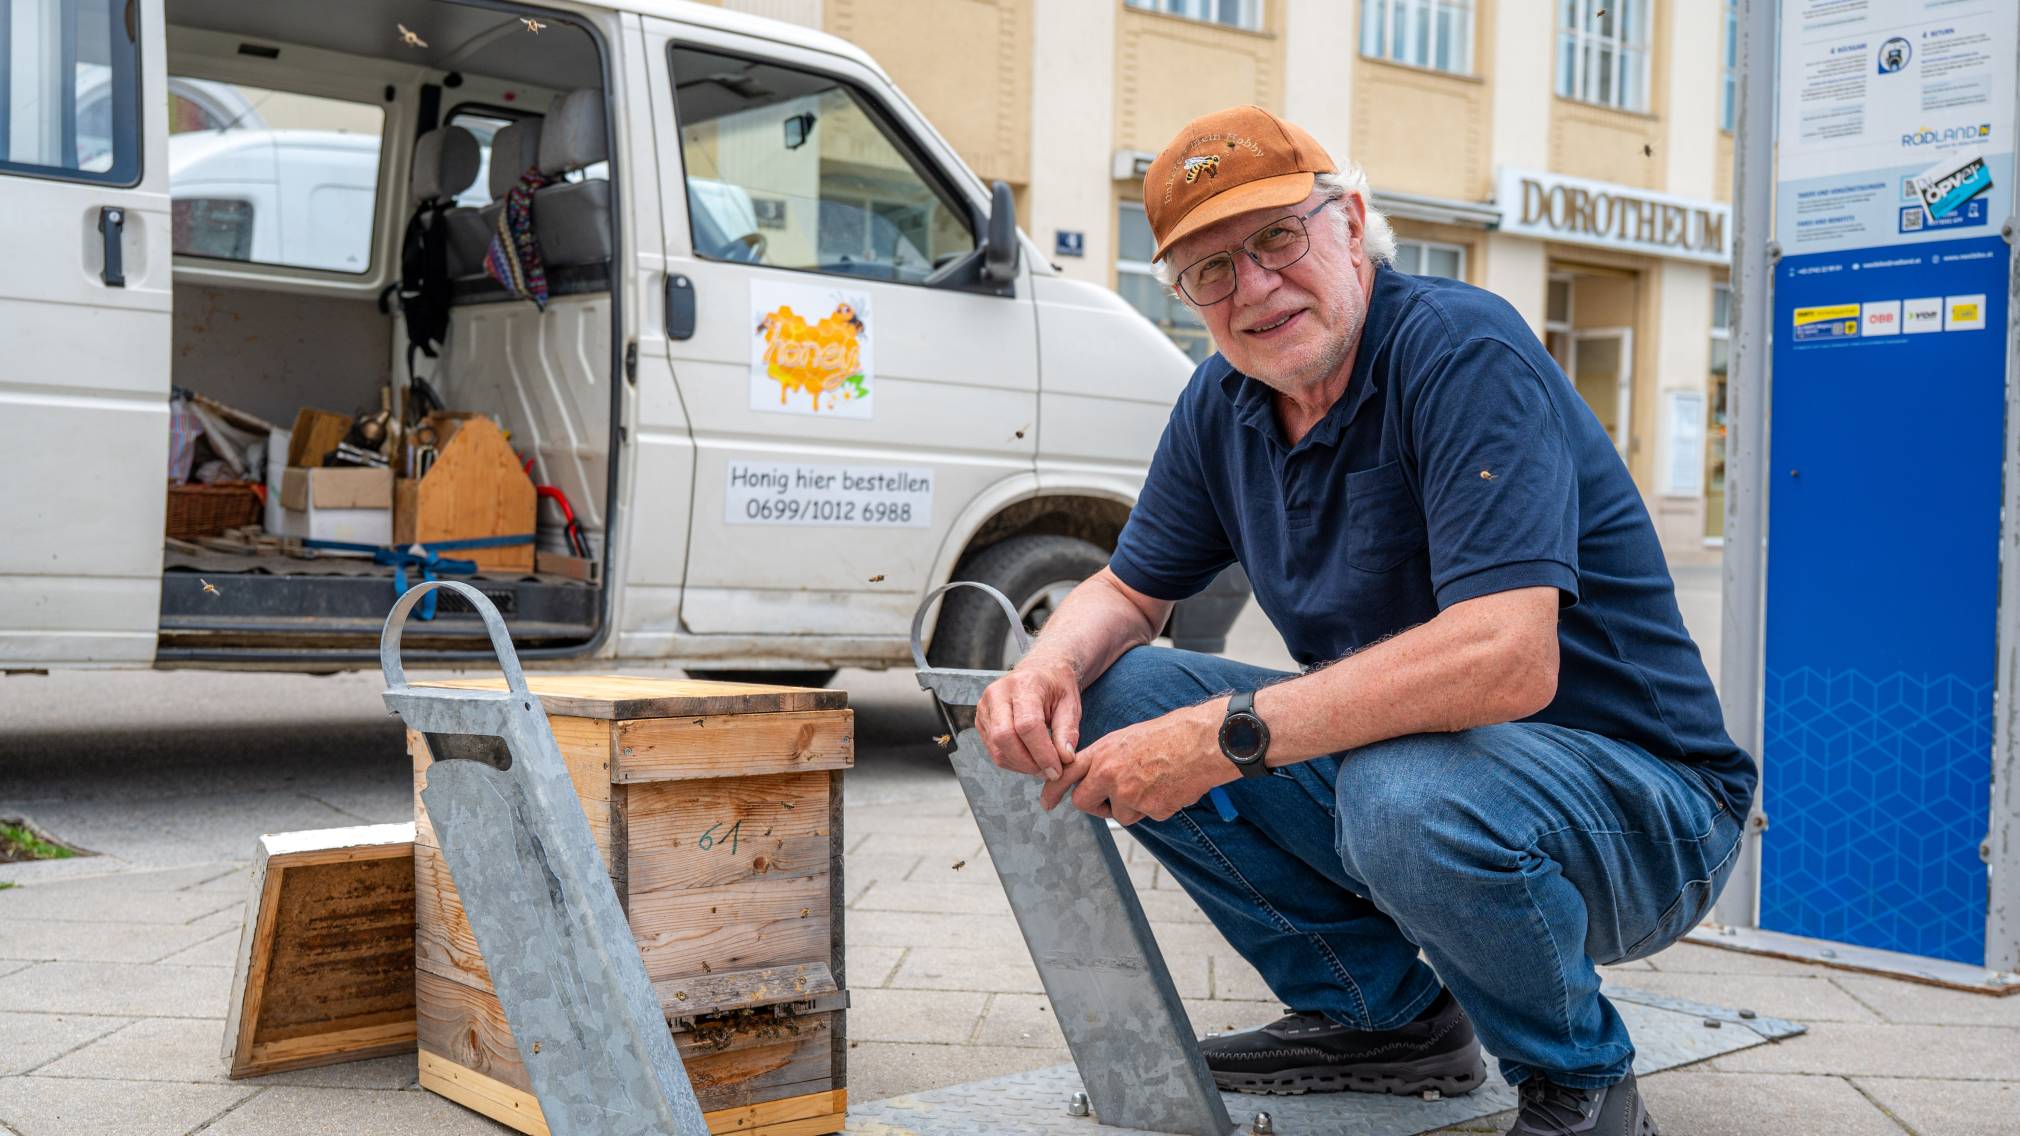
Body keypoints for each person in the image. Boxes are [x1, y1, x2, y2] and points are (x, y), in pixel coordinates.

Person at [973, 105, 1753, 1136]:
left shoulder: (1458, 350)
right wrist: (1044, 670)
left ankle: (1582, 1079)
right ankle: (1377, 1015)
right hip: (1437, 781)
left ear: (1351, 222)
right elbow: (1127, 592)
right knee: (1119, 693)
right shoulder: (1225, 399)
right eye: (1210, 270)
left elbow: (1505, 660)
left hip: (1644, 808)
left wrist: (1220, 736)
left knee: (1398, 791)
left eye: (1274, 238)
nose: (1252, 286)